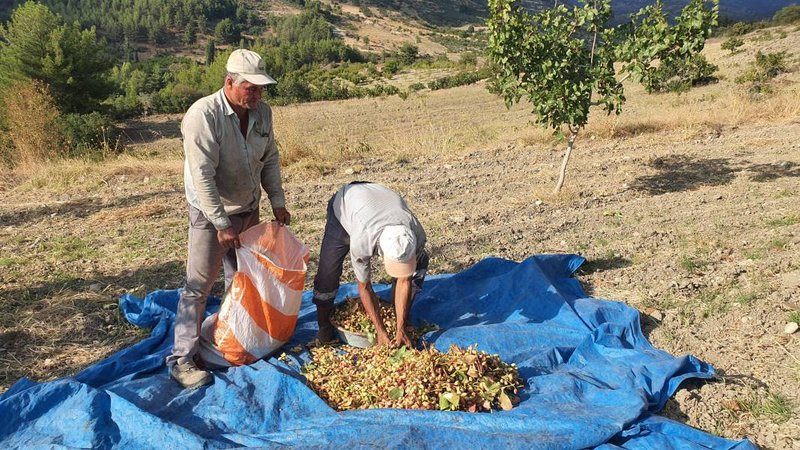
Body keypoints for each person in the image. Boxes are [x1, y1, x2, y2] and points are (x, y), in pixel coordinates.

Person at [167, 49, 291, 389]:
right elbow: (203, 176)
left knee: (241, 278)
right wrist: (221, 224)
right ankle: (181, 359)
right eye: (250, 88)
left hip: (247, 207)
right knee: (198, 286)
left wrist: (276, 201)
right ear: (229, 83)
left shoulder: (262, 113)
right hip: (211, 214)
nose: (257, 95)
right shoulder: (202, 116)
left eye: (261, 88)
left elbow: (270, 159)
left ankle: (232, 338)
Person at [313, 182, 428, 348]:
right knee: (327, 274)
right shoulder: (362, 241)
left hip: (377, 201)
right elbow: (364, 287)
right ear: (381, 253)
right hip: (345, 205)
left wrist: (400, 326)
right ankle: (324, 328)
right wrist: (380, 331)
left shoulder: (415, 234)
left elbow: (405, 280)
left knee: (420, 264)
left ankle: (402, 321)